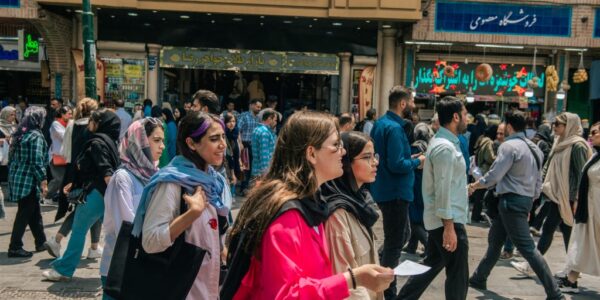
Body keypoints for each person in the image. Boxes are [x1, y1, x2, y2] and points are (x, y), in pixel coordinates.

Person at [230, 111, 394, 299]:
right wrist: (352, 278)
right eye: (335, 145)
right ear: (311, 153)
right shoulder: (287, 216)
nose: (343, 151)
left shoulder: (311, 204)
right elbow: (286, 294)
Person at [468, 110, 564, 300]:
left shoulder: (509, 146)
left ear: (510, 127)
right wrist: (529, 202)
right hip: (523, 201)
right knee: (495, 242)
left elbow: (494, 176)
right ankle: (479, 277)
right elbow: (538, 182)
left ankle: (555, 293)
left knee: (527, 248)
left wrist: (475, 185)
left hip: (510, 202)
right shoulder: (535, 148)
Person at [136, 112, 231, 299]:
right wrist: (191, 214)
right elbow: (150, 241)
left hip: (209, 289)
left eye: (223, 137)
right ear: (191, 143)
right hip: (181, 291)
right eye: (214, 139)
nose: (223, 145)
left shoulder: (215, 181)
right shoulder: (172, 183)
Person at [397, 96, 469, 300]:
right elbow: (442, 190)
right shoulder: (445, 147)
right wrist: (449, 227)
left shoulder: (443, 143)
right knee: (458, 276)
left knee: (429, 266)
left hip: (443, 219)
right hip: (448, 220)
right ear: (455, 117)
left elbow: (448, 184)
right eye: (464, 115)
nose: (467, 119)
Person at [511, 112, 593, 277]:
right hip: (557, 195)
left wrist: (576, 199)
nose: (554, 127)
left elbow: (582, 175)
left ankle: (534, 265)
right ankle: (572, 269)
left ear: (568, 126)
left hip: (568, 197)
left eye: (557, 124)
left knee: (550, 229)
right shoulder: (560, 142)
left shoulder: (577, 145)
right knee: (565, 233)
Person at [43, 109, 121, 281]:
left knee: (78, 230)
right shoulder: (110, 142)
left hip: (96, 195)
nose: (89, 124)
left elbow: (106, 172)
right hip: (101, 195)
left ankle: (64, 270)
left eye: (92, 120)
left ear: (100, 124)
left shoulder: (98, 143)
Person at [369, 85, 425, 299]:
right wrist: (416, 162)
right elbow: (396, 164)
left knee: (403, 235)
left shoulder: (382, 124)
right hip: (395, 192)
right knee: (395, 242)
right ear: (403, 104)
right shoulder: (393, 128)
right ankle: (387, 290)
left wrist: (409, 159)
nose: (413, 105)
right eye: (411, 101)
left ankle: (379, 268)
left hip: (387, 190)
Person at [100, 118, 164, 293]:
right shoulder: (122, 178)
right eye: (156, 140)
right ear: (140, 142)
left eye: (162, 141)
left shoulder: (155, 175)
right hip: (119, 266)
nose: (162, 146)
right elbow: (126, 225)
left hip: (144, 264)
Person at [322, 131, 382, 300]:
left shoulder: (360, 201)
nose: (375, 162)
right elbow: (346, 281)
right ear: (346, 163)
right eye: (366, 157)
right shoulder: (338, 214)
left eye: (374, 156)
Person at [45, 98, 102, 259]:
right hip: (89, 172)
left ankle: (94, 246)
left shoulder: (72, 125)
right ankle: (57, 240)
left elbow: (65, 151)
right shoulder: (93, 127)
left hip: (73, 171)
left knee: (91, 206)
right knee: (86, 206)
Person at [556, 122, 600, 293]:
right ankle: (571, 279)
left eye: (595, 132)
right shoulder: (595, 156)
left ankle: (571, 279)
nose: (591, 135)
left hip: (596, 209)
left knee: (587, 243)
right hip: (589, 209)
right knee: (582, 242)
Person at [7, 107, 49, 258]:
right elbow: (36, 161)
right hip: (28, 179)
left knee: (33, 211)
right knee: (25, 212)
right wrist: (43, 180)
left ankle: (41, 241)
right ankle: (15, 246)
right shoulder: (35, 136)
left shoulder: (21, 133)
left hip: (18, 177)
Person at [404, 122, 434, 256]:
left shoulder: (415, 147)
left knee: (413, 217)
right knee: (418, 215)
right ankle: (412, 245)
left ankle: (428, 245)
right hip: (425, 183)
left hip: (415, 184)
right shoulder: (429, 146)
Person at [470, 124, 497, 223]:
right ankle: (476, 216)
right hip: (484, 170)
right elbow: (489, 157)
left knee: (478, 194)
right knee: (481, 195)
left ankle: (475, 215)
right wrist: (498, 158)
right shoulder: (488, 142)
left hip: (477, 169)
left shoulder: (481, 139)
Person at [47, 105, 73, 202]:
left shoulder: (69, 124)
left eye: (71, 114)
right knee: (59, 179)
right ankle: (46, 196)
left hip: (67, 157)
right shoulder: (56, 124)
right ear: (62, 114)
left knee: (66, 180)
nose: (71, 116)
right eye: (69, 114)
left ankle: (60, 198)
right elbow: (64, 137)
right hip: (56, 156)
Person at [237, 99, 262, 195]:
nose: (259, 109)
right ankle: (243, 188)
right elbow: (238, 130)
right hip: (245, 144)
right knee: (245, 167)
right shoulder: (244, 116)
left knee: (252, 167)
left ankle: (248, 188)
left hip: (254, 145)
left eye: (260, 107)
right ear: (251, 105)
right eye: (257, 106)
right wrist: (240, 143)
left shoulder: (258, 118)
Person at [250, 108, 277, 179]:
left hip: (256, 170)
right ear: (269, 119)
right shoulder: (265, 132)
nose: (276, 122)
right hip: (262, 174)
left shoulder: (257, 129)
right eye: (275, 120)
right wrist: (266, 174)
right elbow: (264, 155)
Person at [0, 106, 17, 209]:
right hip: (2, 155)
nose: (13, 117)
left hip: (12, 155)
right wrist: (3, 140)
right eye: (11, 114)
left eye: (14, 114)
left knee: (12, 176)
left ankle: (13, 195)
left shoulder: (14, 126)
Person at [223, 112, 242, 197]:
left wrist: (240, 160)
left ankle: (232, 195)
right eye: (229, 121)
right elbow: (228, 154)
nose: (232, 124)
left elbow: (238, 148)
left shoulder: (236, 132)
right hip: (226, 164)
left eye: (234, 121)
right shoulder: (223, 135)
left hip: (235, 161)